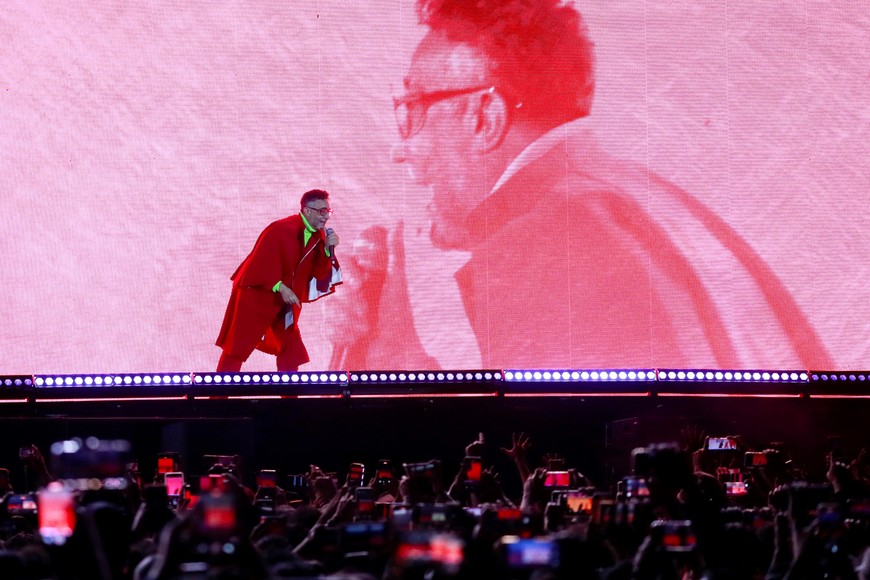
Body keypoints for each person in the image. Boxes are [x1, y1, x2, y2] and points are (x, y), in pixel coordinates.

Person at [347, 0, 833, 370]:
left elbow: (541, 484)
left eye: (412, 111)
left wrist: (395, 360)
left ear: (484, 119)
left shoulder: (536, 246)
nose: (400, 149)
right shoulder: (656, 203)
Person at [216, 189, 342, 372]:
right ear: (307, 211)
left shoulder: (320, 236)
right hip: (256, 296)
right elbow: (259, 264)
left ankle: (290, 400)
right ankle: (216, 399)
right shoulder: (280, 229)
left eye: (328, 211)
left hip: (286, 300)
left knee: (290, 350)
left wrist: (329, 249)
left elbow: (320, 273)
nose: (326, 217)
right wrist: (281, 288)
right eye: (322, 211)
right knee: (237, 347)